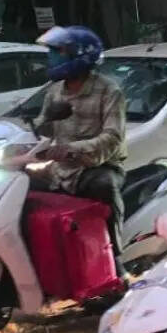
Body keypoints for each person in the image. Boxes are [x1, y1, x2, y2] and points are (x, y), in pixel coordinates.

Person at [30, 25, 128, 274]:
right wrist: (25, 134)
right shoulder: (54, 91)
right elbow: (44, 130)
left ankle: (115, 261)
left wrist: (71, 149)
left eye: (57, 51)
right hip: (59, 168)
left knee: (104, 186)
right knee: (19, 186)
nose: (51, 57)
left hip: (97, 165)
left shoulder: (109, 90)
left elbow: (112, 137)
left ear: (79, 55)